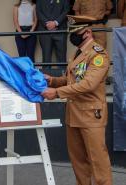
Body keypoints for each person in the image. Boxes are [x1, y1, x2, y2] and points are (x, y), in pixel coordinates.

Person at [42, 15, 112, 185]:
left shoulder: (98, 55)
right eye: (71, 33)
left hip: (90, 116)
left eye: (76, 33)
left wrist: (57, 92)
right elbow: (72, 79)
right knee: (79, 164)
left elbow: (88, 84)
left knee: (98, 164)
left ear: (87, 32)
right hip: (74, 116)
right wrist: (51, 80)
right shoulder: (78, 53)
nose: (72, 37)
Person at [36, 0, 69, 70]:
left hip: (60, 30)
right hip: (44, 31)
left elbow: (66, 10)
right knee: (46, 57)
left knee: (62, 58)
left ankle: (63, 78)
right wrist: (47, 24)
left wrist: (55, 23)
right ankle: (46, 78)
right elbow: (38, 12)